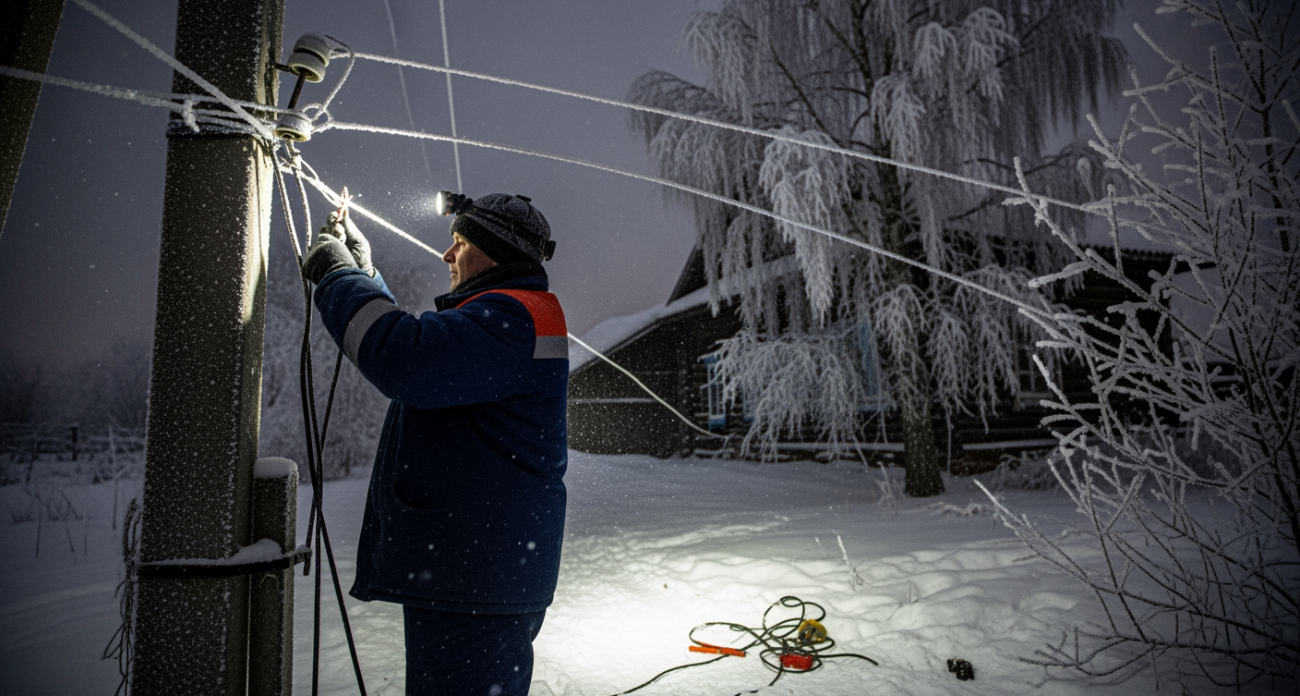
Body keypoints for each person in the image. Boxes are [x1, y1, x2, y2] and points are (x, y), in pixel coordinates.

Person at [301, 193, 568, 696]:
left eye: (461, 243)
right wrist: (364, 273)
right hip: (475, 573)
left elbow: (405, 359)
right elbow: (423, 350)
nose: (447, 256)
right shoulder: (507, 317)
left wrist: (338, 276)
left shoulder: (513, 317)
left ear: (497, 252)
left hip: (473, 581)